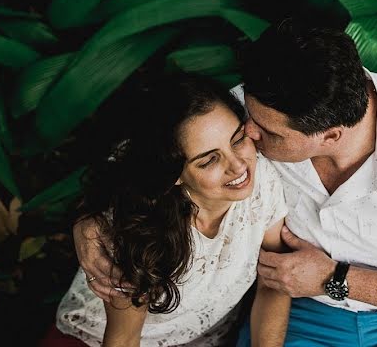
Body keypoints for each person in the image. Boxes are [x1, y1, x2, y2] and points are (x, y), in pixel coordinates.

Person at [76, 22, 377, 346]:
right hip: (303, 314)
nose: (250, 138)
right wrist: (92, 222)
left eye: (265, 133)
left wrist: (335, 277)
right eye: (247, 123)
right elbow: (155, 148)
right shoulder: (263, 107)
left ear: (330, 135)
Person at [45, 73, 289, 347]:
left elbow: (273, 279)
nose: (238, 166)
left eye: (237, 139)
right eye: (209, 160)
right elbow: (123, 339)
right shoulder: (142, 232)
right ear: (173, 174)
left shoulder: (263, 181)